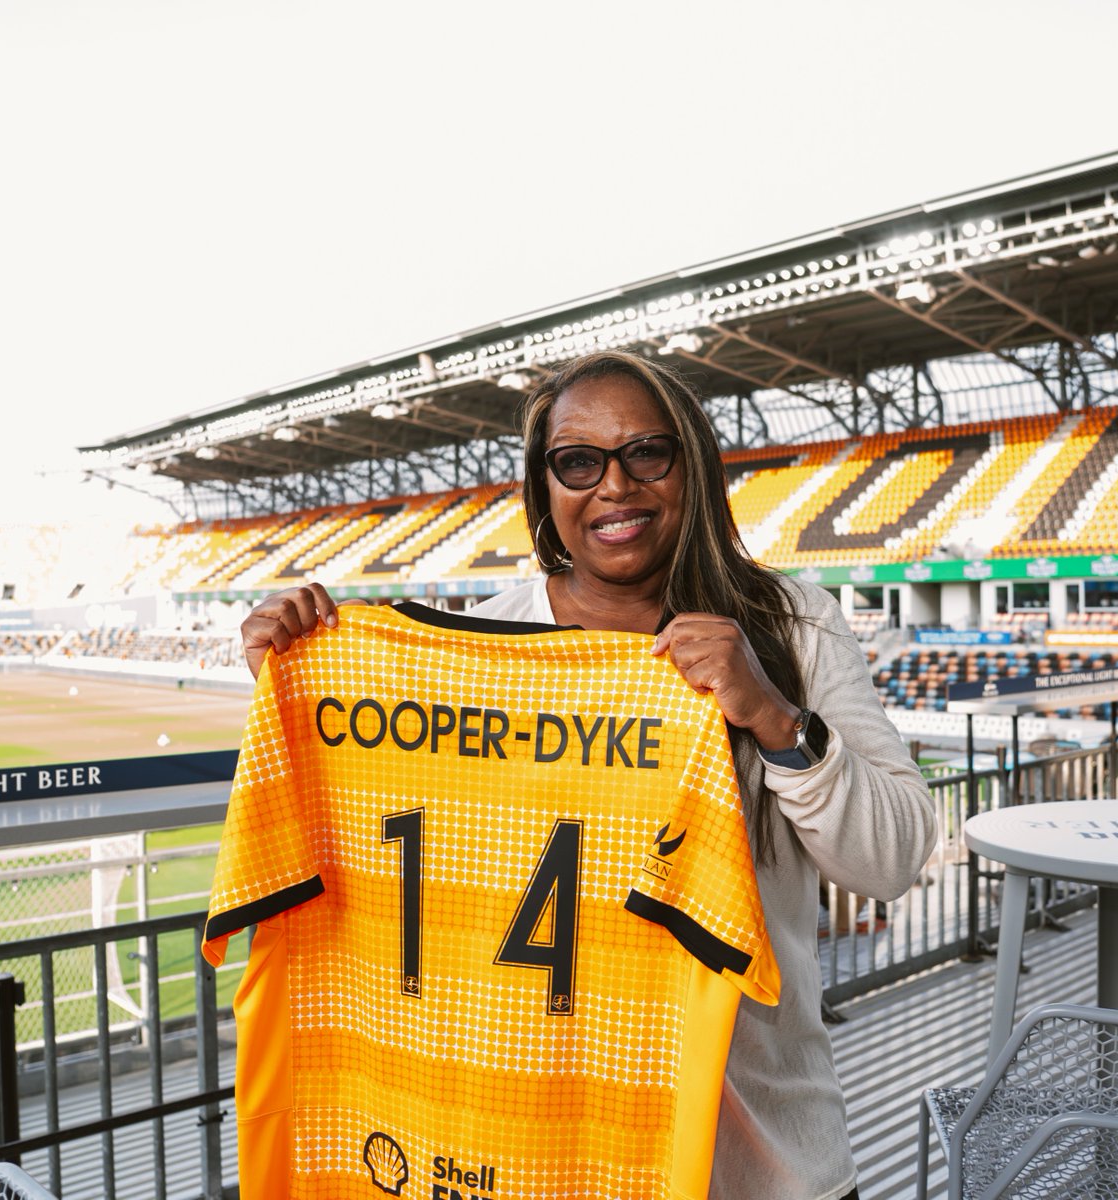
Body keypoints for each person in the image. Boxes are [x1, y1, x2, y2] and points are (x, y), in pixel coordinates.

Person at [240, 349, 938, 1200]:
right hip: (545, 1164)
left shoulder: (791, 626)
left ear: (693, 465)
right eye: (578, 462)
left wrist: (775, 718)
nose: (615, 486)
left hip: (763, 1167)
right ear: (546, 488)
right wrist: (308, 686)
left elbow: (896, 858)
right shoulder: (479, 649)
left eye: (647, 452)